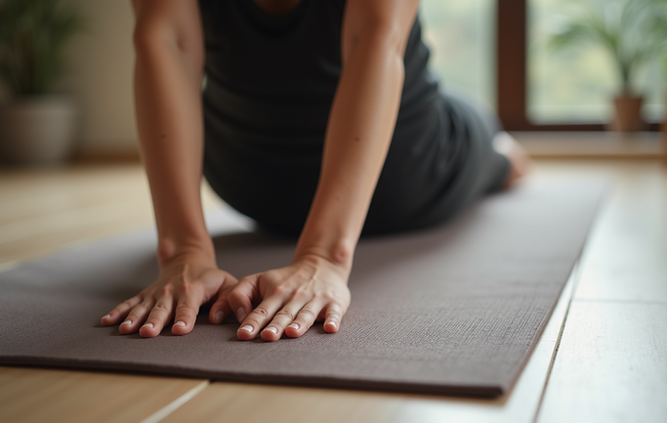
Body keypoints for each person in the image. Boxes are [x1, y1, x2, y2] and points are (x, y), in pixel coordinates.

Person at [100, 0, 529, 342]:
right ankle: (502, 155)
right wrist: (322, 256)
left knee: (474, 121)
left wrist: (184, 252)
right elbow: (374, 38)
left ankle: (500, 157)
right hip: (405, 178)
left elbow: (164, 38)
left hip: (246, 177)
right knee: (475, 119)